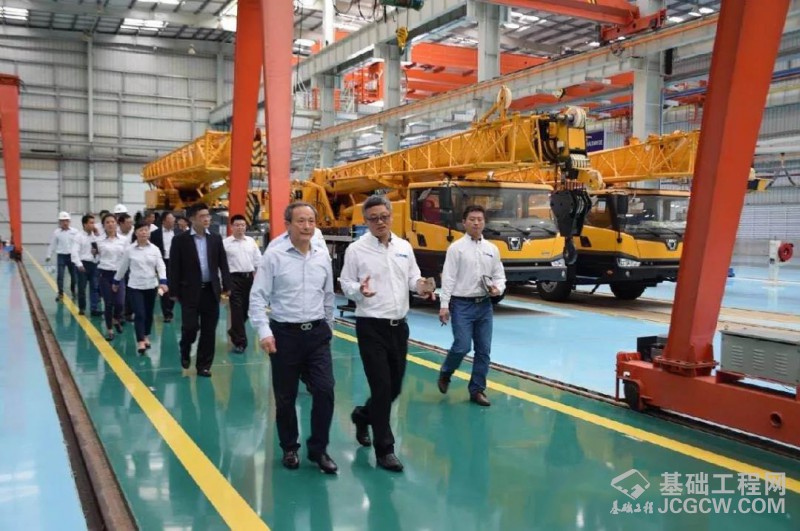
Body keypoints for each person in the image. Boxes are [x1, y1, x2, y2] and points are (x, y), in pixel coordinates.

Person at [339, 195, 436, 472]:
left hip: (399, 327)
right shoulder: (356, 250)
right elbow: (345, 283)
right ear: (366, 221)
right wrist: (359, 290)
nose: (380, 222)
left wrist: (422, 286)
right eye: (373, 219)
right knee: (381, 388)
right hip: (371, 326)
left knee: (394, 388)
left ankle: (362, 415)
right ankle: (385, 450)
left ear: (391, 216)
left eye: (384, 217)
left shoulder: (404, 247)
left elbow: (412, 278)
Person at [249, 202, 337, 473]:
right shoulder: (274, 257)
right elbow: (257, 297)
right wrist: (264, 332)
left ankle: (319, 449)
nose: (307, 226)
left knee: (324, 390)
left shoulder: (322, 257)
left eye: (311, 221)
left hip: (317, 334)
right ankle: (289, 447)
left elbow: (328, 296)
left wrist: (329, 328)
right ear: (287, 224)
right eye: (301, 221)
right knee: (285, 397)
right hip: (284, 335)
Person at [436, 205, 506, 407]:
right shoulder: (456, 249)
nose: (476, 223)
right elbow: (448, 278)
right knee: (462, 346)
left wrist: (498, 289)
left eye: (480, 219)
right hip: (462, 305)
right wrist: (444, 305)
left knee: (483, 350)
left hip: (484, 305)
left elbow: (499, 276)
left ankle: (477, 390)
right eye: (472, 219)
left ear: (484, 223)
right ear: (464, 223)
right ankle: (446, 372)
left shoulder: (492, 250)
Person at [169, 203, 230, 377]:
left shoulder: (215, 239)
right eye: (202, 216)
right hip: (189, 291)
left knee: (209, 330)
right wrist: (173, 291)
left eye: (208, 215)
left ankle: (203, 365)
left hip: (211, 291)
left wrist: (227, 286)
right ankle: (185, 347)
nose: (207, 219)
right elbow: (174, 267)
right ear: (192, 219)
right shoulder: (180, 240)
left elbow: (223, 263)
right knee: (190, 327)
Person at [113, 221, 168, 354]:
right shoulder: (129, 250)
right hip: (135, 287)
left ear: (149, 233)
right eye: (141, 230)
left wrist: (163, 281)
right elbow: (123, 267)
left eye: (146, 230)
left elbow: (160, 265)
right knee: (140, 313)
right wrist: (116, 281)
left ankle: (146, 335)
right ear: (136, 233)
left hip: (151, 286)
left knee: (148, 313)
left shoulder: (154, 249)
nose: (144, 232)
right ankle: (140, 341)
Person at [223, 214, 262, 353]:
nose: (240, 228)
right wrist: (224, 284)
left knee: (246, 310)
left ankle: (234, 330)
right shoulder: (225, 244)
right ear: (231, 227)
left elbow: (258, 261)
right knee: (237, 310)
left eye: (243, 225)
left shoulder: (251, 242)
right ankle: (240, 342)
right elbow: (221, 265)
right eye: (237, 225)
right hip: (233, 279)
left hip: (249, 279)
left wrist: (260, 279)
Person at [96, 213, 128, 341]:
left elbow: (127, 257)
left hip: (119, 275)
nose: (110, 224)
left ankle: (116, 319)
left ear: (116, 224)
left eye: (112, 222)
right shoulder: (99, 241)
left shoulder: (124, 240)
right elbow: (95, 258)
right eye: (107, 222)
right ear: (103, 225)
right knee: (108, 303)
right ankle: (109, 330)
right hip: (105, 274)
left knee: (120, 303)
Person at [150, 212, 182, 323]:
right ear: (164, 221)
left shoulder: (178, 232)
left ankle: (170, 308)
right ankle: (166, 313)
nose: (173, 221)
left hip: (175, 263)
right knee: (163, 288)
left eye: (173, 219)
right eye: (171, 219)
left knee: (173, 287)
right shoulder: (155, 234)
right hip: (161, 262)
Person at [70, 214, 101, 316]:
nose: (93, 225)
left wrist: (96, 252)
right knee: (82, 288)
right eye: (91, 223)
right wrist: (79, 264)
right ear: (85, 224)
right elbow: (74, 252)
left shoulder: (95, 236)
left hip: (94, 264)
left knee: (94, 287)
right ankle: (82, 308)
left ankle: (94, 308)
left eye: (94, 223)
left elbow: (100, 249)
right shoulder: (78, 237)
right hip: (83, 264)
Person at [46, 211, 79, 302]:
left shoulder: (75, 232)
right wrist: (49, 255)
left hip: (72, 256)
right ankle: (60, 293)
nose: (65, 223)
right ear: (60, 222)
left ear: (69, 221)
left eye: (66, 221)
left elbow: (79, 243)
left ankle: (73, 291)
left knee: (74, 276)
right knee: (60, 276)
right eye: (63, 221)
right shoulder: (56, 232)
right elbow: (52, 244)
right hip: (61, 256)